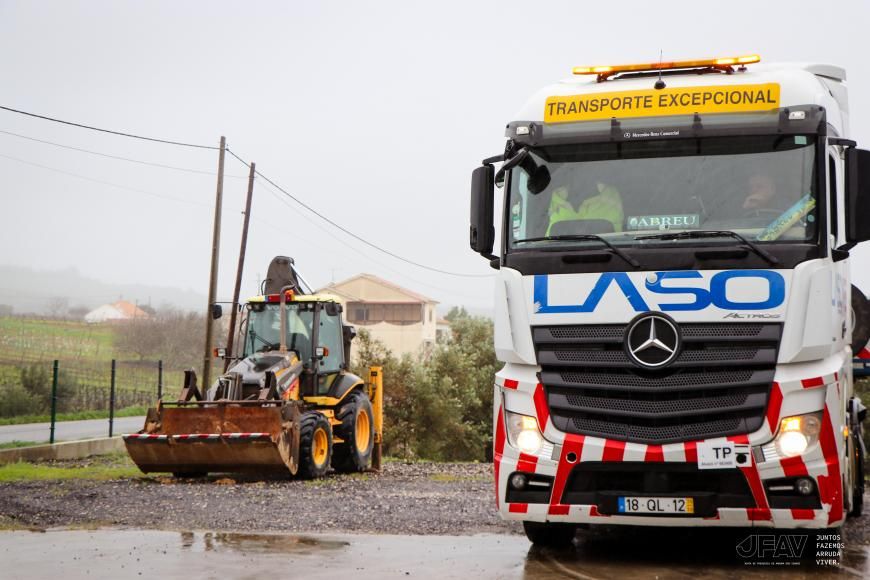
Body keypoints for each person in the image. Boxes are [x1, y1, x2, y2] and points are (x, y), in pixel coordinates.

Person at [546, 180, 624, 235]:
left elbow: (618, 240)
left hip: (607, 254)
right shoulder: (556, 200)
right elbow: (546, 245)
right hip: (559, 255)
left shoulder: (611, 198)